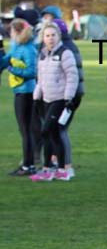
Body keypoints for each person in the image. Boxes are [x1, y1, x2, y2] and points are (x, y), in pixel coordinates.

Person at [31, 22, 78, 181]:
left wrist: (68, 98)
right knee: (52, 134)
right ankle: (55, 169)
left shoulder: (65, 53)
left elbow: (72, 76)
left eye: (53, 35)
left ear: (58, 36)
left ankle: (52, 168)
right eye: (47, 35)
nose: (50, 38)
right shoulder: (42, 54)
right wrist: (36, 96)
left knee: (47, 131)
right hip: (46, 99)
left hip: (60, 99)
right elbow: (40, 78)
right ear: (43, 38)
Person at [0, 19, 40, 176]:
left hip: (26, 93)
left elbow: (32, 72)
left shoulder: (28, 49)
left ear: (16, 32)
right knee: (24, 129)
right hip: (19, 91)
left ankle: (28, 165)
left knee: (25, 130)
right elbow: (3, 62)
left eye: (10, 32)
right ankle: (27, 163)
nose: (10, 35)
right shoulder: (17, 48)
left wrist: (13, 69)